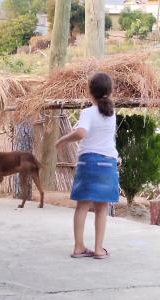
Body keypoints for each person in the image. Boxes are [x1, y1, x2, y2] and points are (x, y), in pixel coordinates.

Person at [55, 72, 119, 259]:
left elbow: (81, 133)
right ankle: (99, 250)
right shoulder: (111, 113)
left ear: (89, 91)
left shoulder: (88, 112)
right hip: (107, 164)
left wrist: (62, 140)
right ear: (110, 91)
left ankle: (79, 247)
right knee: (101, 207)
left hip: (88, 162)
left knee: (82, 206)